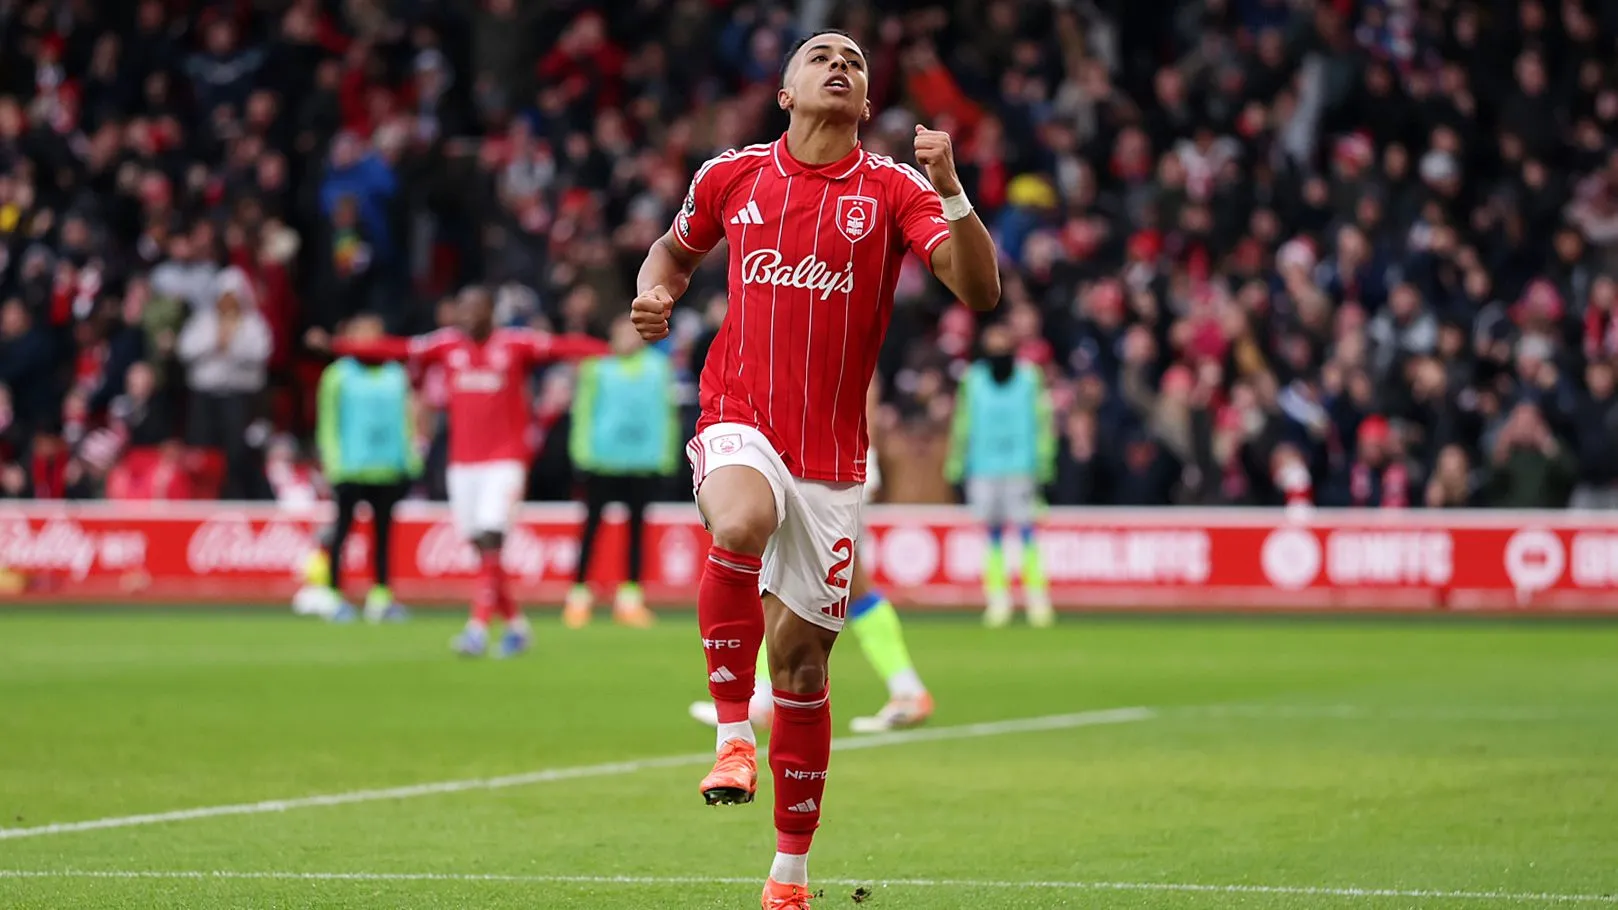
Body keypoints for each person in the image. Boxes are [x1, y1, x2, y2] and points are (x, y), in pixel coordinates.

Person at [630, 29, 999, 910]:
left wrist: (952, 193)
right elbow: (671, 255)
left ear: (867, 103)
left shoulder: (896, 189)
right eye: (820, 56)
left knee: (801, 669)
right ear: (786, 91)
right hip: (737, 417)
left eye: (856, 63)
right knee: (739, 522)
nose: (840, 65)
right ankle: (730, 736)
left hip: (833, 460)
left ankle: (789, 877)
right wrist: (654, 296)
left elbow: (979, 292)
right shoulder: (732, 176)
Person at [325, 285, 608, 657]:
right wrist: (338, 346)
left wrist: (608, 351)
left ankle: (476, 628)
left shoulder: (514, 344)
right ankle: (516, 627)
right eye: (463, 309)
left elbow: (562, 347)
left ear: (491, 311)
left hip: (505, 461)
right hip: (463, 465)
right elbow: (397, 348)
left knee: (491, 537)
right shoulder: (446, 345)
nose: (468, 315)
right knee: (482, 547)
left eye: (476, 308)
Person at [688, 382, 935, 734]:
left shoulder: (833, 331)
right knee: (841, 583)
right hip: (807, 461)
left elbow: (863, 381)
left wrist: (870, 453)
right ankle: (905, 688)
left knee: (839, 581)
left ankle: (762, 698)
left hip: (832, 468)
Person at [299, 313, 420, 623]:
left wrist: (409, 459)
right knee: (342, 532)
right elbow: (328, 422)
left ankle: (381, 595)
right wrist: (332, 461)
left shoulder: (395, 374)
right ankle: (335, 594)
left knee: (383, 535)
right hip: (351, 466)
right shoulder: (338, 375)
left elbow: (405, 420)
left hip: (387, 467)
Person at [563, 313, 673, 628]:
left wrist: (665, 456)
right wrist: (581, 454)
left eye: (633, 333)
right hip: (602, 462)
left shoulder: (657, 368)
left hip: (642, 463)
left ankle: (630, 599)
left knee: (637, 531)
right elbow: (584, 412)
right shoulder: (596, 367)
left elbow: (665, 415)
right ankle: (579, 596)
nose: (628, 339)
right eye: (621, 333)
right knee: (591, 529)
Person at [944, 323, 1056, 627]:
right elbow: (962, 423)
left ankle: (1037, 598)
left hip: (1021, 467)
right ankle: (998, 599)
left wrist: (1045, 465)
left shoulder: (1030, 377)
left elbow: (1042, 421)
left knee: (1027, 534)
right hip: (983, 467)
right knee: (991, 536)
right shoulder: (974, 379)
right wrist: (956, 465)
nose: (998, 354)